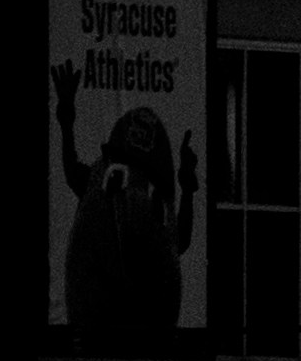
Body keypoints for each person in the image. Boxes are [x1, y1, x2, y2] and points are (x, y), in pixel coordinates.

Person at [52, 65, 195, 340]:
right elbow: (180, 240)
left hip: (136, 326)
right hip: (101, 323)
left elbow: (179, 240)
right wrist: (66, 118)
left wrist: (188, 188)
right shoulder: (103, 190)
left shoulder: (148, 208)